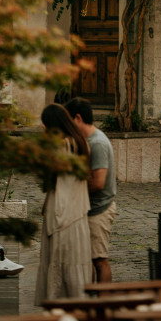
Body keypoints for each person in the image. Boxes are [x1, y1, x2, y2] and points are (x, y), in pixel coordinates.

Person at [35, 103, 92, 303]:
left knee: (62, 266)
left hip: (63, 215)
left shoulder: (64, 146)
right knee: (73, 266)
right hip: (76, 214)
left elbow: (44, 169)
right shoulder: (80, 143)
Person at [66, 96, 117, 283]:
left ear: (77, 118)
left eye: (69, 122)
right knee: (88, 261)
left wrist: (71, 190)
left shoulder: (97, 143)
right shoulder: (88, 141)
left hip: (99, 210)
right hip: (90, 209)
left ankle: (103, 305)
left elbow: (98, 182)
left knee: (99, 260)